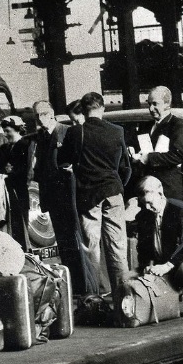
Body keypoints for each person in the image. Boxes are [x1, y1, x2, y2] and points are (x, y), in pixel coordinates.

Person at [58, 91, 133, 298]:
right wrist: (119, 186)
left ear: (83, 109)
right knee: (117, 245)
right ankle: (123, 293)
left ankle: (96, 294)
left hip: (88, 195)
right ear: (103, 108)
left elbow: (62, 160)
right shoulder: (117, 131)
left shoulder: (76, 133)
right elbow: (126, 167)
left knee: (91, 247)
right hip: (113, 192)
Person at [131, 176, 183, 317]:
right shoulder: (144, 215)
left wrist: (167, 265)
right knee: (127, 276)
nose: (147, 208)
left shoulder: (182, 211)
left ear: (160, 194)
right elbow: (144, 249)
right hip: (162, 266)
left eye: (149, 203)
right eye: (143, 204)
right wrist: (146, 266)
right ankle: (175, 292)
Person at [4, 101, 68, 253]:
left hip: (65, 193)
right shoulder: (35, 138)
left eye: (43, 114)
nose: (40, 118)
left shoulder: (67, 131)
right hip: (48, 194)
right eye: (37, 116)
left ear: (52, 114)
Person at [135, 85, 183, 206]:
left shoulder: (177, 125)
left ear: (167, 104)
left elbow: (178, 155)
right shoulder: (145, 126)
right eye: (149, 104)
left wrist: (148, 158)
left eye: (155, 104)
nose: (151, 108)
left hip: (168, 190)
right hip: (146, 189)